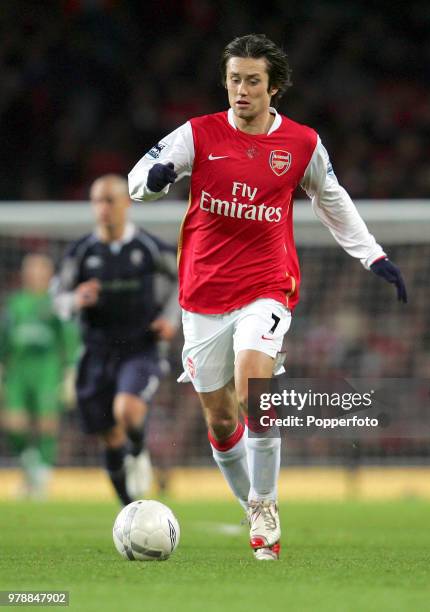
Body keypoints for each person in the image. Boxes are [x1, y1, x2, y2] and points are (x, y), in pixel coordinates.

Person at [128, 34, 407, 560]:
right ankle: (252, 506)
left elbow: (332, 198)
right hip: (203, 292)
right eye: (234, 79)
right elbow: (137, 177)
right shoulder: (197, 134)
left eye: (253, 80)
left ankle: (265, 506)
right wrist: (156, 180)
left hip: (267, 286)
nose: (241, 89)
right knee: (220, 416)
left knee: (255, 383)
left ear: (273, 87)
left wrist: (372, 255)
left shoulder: (301, 144)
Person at [52, 174, 179, 506]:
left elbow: (184, 280)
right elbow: (58, 300)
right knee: (109, 436)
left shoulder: (149, 247)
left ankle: (138, 451)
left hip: (141, 347)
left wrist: (170, 317)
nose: (103, 208)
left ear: (126, 203)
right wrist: (76, 300)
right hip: (96, 352)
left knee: (127, 410)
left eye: (109, 200)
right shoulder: (81, 252)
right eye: (97, 201)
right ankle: (129, 508)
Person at [0, 254, 79, 498]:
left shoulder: (56, 303)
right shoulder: (15, 303)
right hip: (18, 371)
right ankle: (30, 462)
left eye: (40, 270)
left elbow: (69, 339)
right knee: (12, 422)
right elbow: (4, 339)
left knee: (47, 424)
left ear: (48, 275)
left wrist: (70, 374)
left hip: (47, 369)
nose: (35, 275)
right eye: (31, 270)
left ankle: (41, 477)